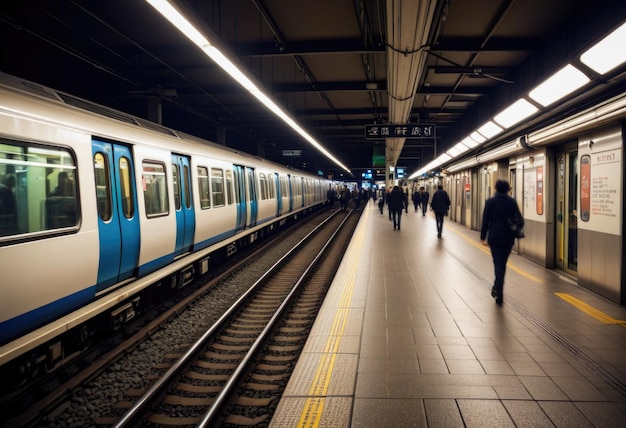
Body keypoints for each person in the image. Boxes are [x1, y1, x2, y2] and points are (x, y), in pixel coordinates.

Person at [480, 179, 523, 305]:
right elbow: (520, 220)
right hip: (508, 238)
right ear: (507, 189)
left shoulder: (490, 202)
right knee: (502, 264)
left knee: (498, 264)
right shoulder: (512, 202)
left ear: (496, 189)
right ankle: (498, 286)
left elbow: (485, 220)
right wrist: (515, 230)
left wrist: (483, 236)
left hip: (494, 238)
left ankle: (498, 288)